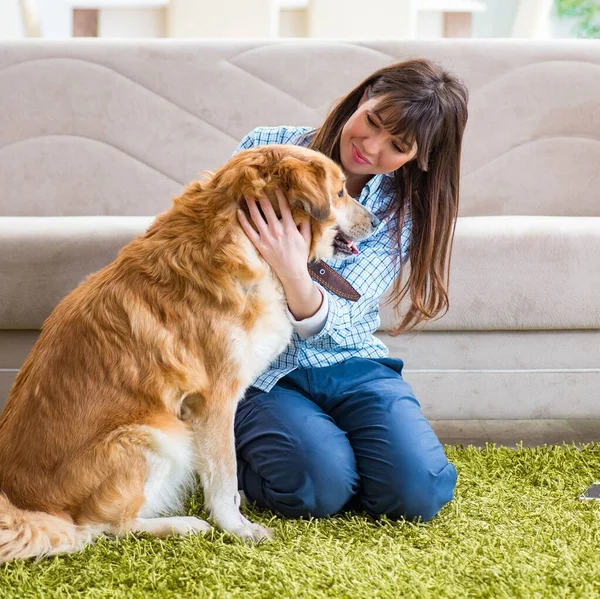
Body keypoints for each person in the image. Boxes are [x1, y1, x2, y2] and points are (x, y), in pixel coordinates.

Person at [233, 58, 469, 523]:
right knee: (316, 489)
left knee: (418, 492)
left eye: (397, 145)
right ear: (363, 98)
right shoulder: (268, 148)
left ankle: (336, 452)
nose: (370, 146)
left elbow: (344, 315)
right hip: (264, 369)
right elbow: (221, 254)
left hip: (350, 361)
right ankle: (251, 455)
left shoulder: (406, 207)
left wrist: (292, 269)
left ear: (418, 157)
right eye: (373, 121)